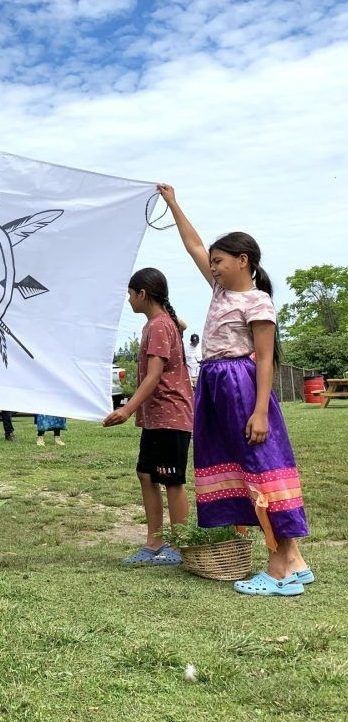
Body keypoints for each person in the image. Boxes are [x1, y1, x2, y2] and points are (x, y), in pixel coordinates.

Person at [159, 183, 311, 596]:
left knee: (261, 468)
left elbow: (265, 360)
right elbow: (193, 245)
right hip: (215, 386)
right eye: (211, 262)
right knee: (243, 468)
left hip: (242, 387)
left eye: (220, 261)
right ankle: (295, 559)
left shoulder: (258, 302)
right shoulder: (220, 291)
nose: (212, 266)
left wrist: (260, 411)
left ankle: (280, 570)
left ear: (243, 261)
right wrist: (173, 202)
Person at [103, 268, 193, 566]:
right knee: (146, 474)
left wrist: (127, 408)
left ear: (142, 294)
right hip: (157, 417)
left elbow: (154, 375)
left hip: (171, 414)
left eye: (131, 294)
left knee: (172, 480)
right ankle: (154, 542)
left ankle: (180, 547)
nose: (129, 300)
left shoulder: (158, 326)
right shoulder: (160, 323)